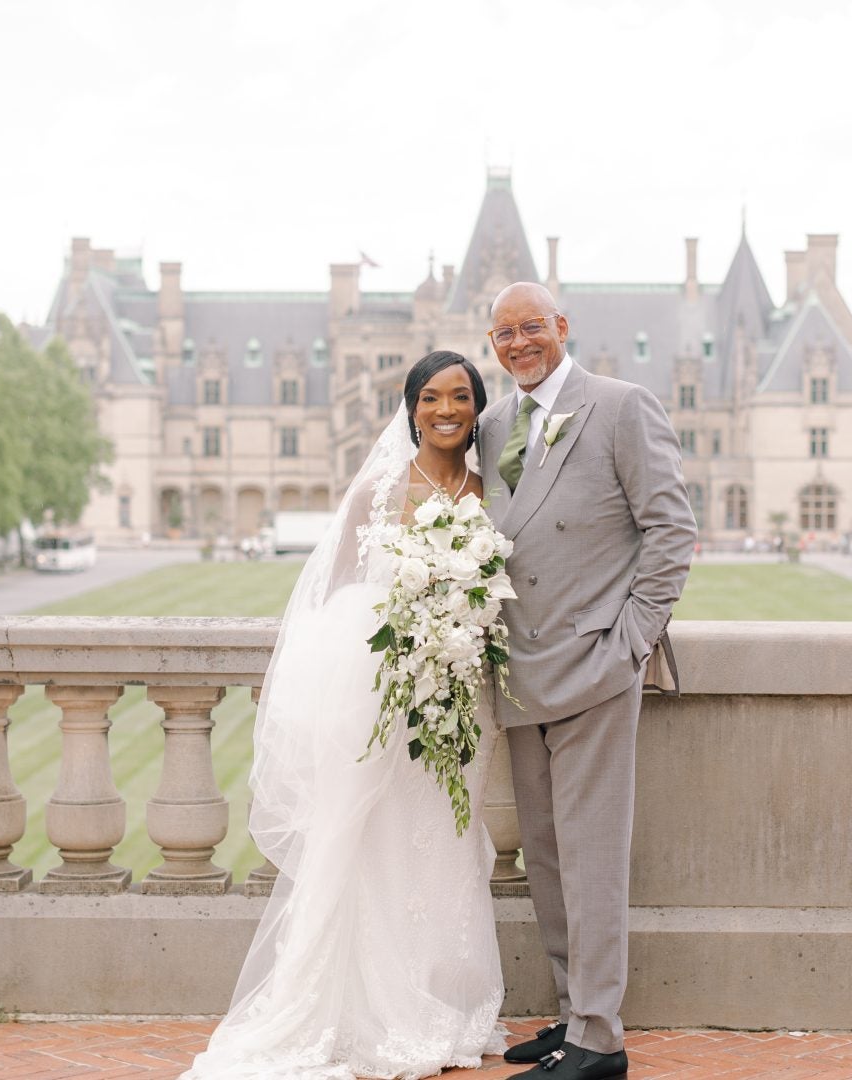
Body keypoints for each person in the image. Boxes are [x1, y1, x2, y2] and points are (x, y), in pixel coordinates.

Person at [184, 351, 508, 1079]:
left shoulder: (490, 489)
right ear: (410, 406)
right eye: (430, 398)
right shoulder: (381, 486)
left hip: (460, 699)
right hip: (384, 695)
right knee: (376, 843)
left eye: (460, 397)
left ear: (478, 407)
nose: (445, 410)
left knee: (442, 847)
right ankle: (367, 1008)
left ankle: (439, 1000)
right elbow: (332, 598)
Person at [476, 283, 697, 1080]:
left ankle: (601, 1039)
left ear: (562, 328)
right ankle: (574, 1015)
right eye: (505, 332)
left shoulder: (621, 405)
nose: (520, 342)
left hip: (594, 665)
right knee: (547, 853)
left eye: (533, 327)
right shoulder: (495, 424)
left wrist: (632, 640)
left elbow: (672, 530)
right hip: (521, 671)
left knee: (593, 857)